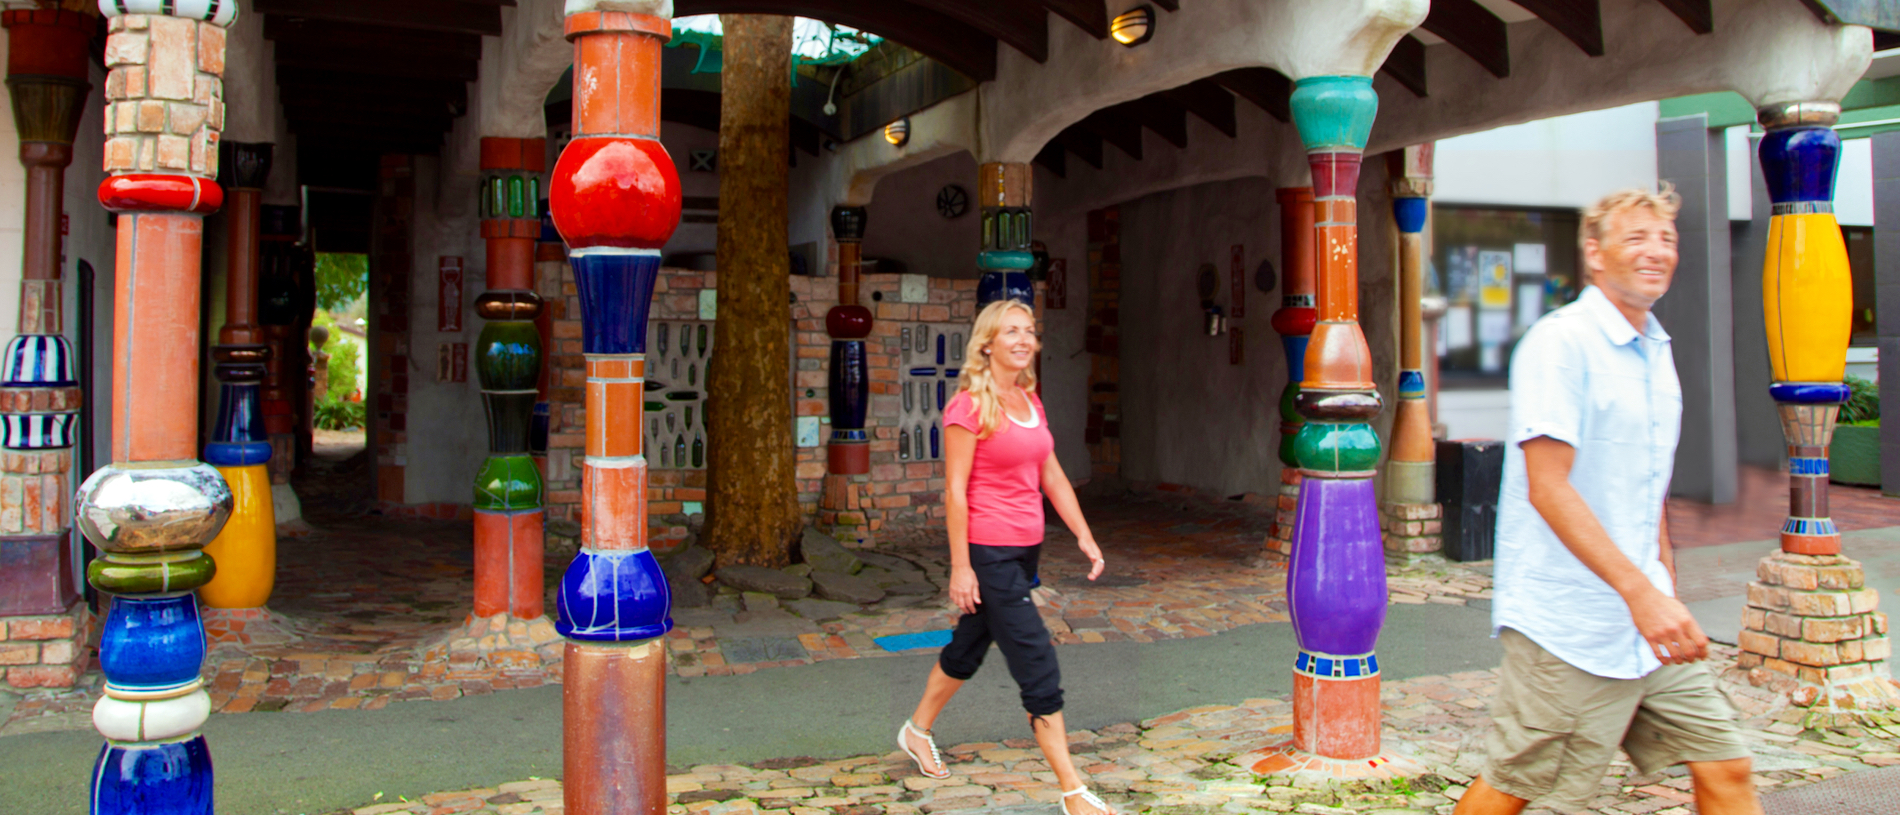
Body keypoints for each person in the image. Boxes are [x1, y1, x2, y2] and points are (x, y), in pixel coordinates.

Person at [1453, 188, 1760, 815]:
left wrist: (1661, 587)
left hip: (1645, 622)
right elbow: (1549, 486)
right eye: (1637, 237)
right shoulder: (1560, 343)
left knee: (1726, 764)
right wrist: (1642, 594)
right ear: (1594, 254)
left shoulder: (1657, 350)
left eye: (1667, 239)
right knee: (1516, 786)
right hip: (1571, 624)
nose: (1657, 251)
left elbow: (1647, 484)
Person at [898, 299, 1114, 815]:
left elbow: (1051, 473)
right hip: (987, 550)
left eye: (1030, 331)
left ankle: (915, 730)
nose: (1023, 339)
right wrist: (961, 566)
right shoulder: (968, 406)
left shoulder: (1029, 400)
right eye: (1011, 331)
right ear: (988, 342)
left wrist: (1084, 534)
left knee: (970, 644)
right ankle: (1073, 791)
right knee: (1035, 656)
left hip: (1024, 550)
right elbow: (954, 491)